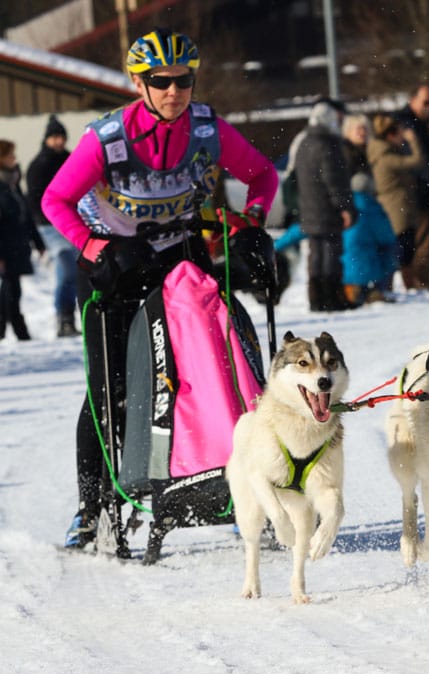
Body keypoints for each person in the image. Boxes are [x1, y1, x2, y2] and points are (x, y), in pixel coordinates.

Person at [41, 28, 278, 548]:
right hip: (115, 265)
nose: (173, 91)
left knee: (215, 370)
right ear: (138, 82)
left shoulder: (206, 128)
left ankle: (236, 489)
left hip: (179, 260)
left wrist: (249, 222)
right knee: (112, 390)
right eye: (160, 81)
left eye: (183, 80)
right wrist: (92, 248)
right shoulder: (107, 138)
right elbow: (55, 201)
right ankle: (92, 507)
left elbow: (262, 175)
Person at [295, 99, 357, 312]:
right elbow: (335, 181)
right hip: (328, 210)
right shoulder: (328, 144)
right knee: (331, 254)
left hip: (310, 208)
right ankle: (331, 297)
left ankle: (316, 298)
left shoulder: (304, 142)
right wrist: (345, 207)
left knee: (316, 255)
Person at [26, 115, 79, 336]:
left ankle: (69, 316)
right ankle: (64, 316)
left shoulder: (70, 159)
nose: (59, 141)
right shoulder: (39, 165)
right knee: (67, 268)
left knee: (75, 270)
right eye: (55, 137)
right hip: (49, 224)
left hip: (73, 221)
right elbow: (35, 200)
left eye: (61, 137)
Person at [395, 84, 429, 291]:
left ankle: (421, 282)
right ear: (413, 100)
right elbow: (420, 162)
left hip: (421, 191)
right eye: (425, 102)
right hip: (416, 193)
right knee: (423, 242)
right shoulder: (408, 124)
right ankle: (422, 284)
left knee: (422, 241)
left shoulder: (416, 123)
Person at [367, 114, 424, 290]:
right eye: (399, 134)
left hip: (397, 208)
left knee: (402, 249)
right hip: (396, 209)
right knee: (402, 251)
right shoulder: (386, 158)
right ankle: (405, 285)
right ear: (390, 135)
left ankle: (401, 284)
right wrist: (413, 141)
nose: (403, 137)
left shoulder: (384, 153)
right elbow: (416, 161)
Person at [0, 140, 46, 341]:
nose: (14, 159)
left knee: (12, 289)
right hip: (5, 247)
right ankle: (18, 330)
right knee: (10, 290)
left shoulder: (13, 184)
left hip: (17, 245)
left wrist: (38, 242)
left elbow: (25, 216)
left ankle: (14, 330)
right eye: (10, 156)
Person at [341, 172, 398, 306]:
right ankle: (378, 289)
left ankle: (352, 291)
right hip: (365, 271)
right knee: (391, 248)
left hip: (341, 268)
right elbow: (387, 237)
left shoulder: (343, 205)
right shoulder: (371, 208)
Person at [341, 113, 372, 179]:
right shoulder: (344, 151)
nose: (363, 132)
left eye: (365, 129)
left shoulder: (368, 149)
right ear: (348, 131)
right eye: (359, 129)